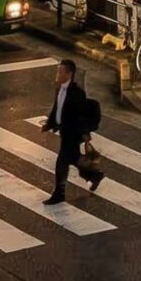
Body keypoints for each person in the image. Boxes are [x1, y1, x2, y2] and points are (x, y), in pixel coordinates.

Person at [39, 59, 98, 205]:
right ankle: (95, 176)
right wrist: (49, 124)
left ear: (69, 73)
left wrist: (84, 135)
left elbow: (81, 116)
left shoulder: (77, 94)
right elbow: (56, 108)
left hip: (73, 133)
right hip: (64, 131)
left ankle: (59, 193)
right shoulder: (59, 88)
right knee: (73, 158)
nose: (57, 74)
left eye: (60, 71)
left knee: (62, 163)